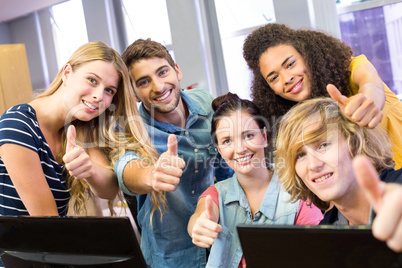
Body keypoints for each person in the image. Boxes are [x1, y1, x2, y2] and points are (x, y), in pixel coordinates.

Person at [114, 39, 233, 268]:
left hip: (221, 243)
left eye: (162, 72)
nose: (158, 87)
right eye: (144, 81)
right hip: (172, 257)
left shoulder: (206, 102)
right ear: (135, 93)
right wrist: (150, 175)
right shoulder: (131, 128)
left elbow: (227, 169)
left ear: (177, 70)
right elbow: (126, 168)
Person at [188, 93, 323, 268]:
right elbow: (199, 218)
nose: (240, 149)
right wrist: (198, 226)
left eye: (248, 136)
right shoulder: (216, 194)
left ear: (264, 137)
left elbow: (317, 252)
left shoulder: (297, 192)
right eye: (227, 141)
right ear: (219, 150)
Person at [0, 41, 132, 218]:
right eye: (92, 80)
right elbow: (47, 219)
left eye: (109, 90)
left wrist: (90, 170)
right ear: (67, 73)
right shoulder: (17, 124)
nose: (99, 96)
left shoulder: (79, 126)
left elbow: (109, 190)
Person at [243, 23, 402, 168]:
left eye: (290, 64)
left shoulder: (352, 68)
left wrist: (369, 101)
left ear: (308, 56)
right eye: (274, 78)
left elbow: (370, 82)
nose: (287, 79)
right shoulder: (302, 120)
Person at [275, 97, 402, 252]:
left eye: (323, 145)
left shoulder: (398, 189)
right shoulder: (325, 237)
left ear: (355, 142)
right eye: (300, 155)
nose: (314, 165)